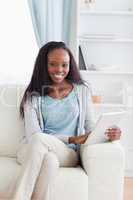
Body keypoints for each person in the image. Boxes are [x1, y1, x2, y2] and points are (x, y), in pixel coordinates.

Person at [13, 41, 121, 200]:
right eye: (53, 64)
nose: (59, 70)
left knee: (43, 145)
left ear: (70, 65)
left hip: (67, 152)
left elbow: (91, 127)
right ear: (43, 65)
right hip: (32, 149)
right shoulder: (32, 95)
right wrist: (71, 138)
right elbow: (32, 136)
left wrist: (108, 134)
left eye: (65, 65)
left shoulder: (81, 90)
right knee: (49, 161)